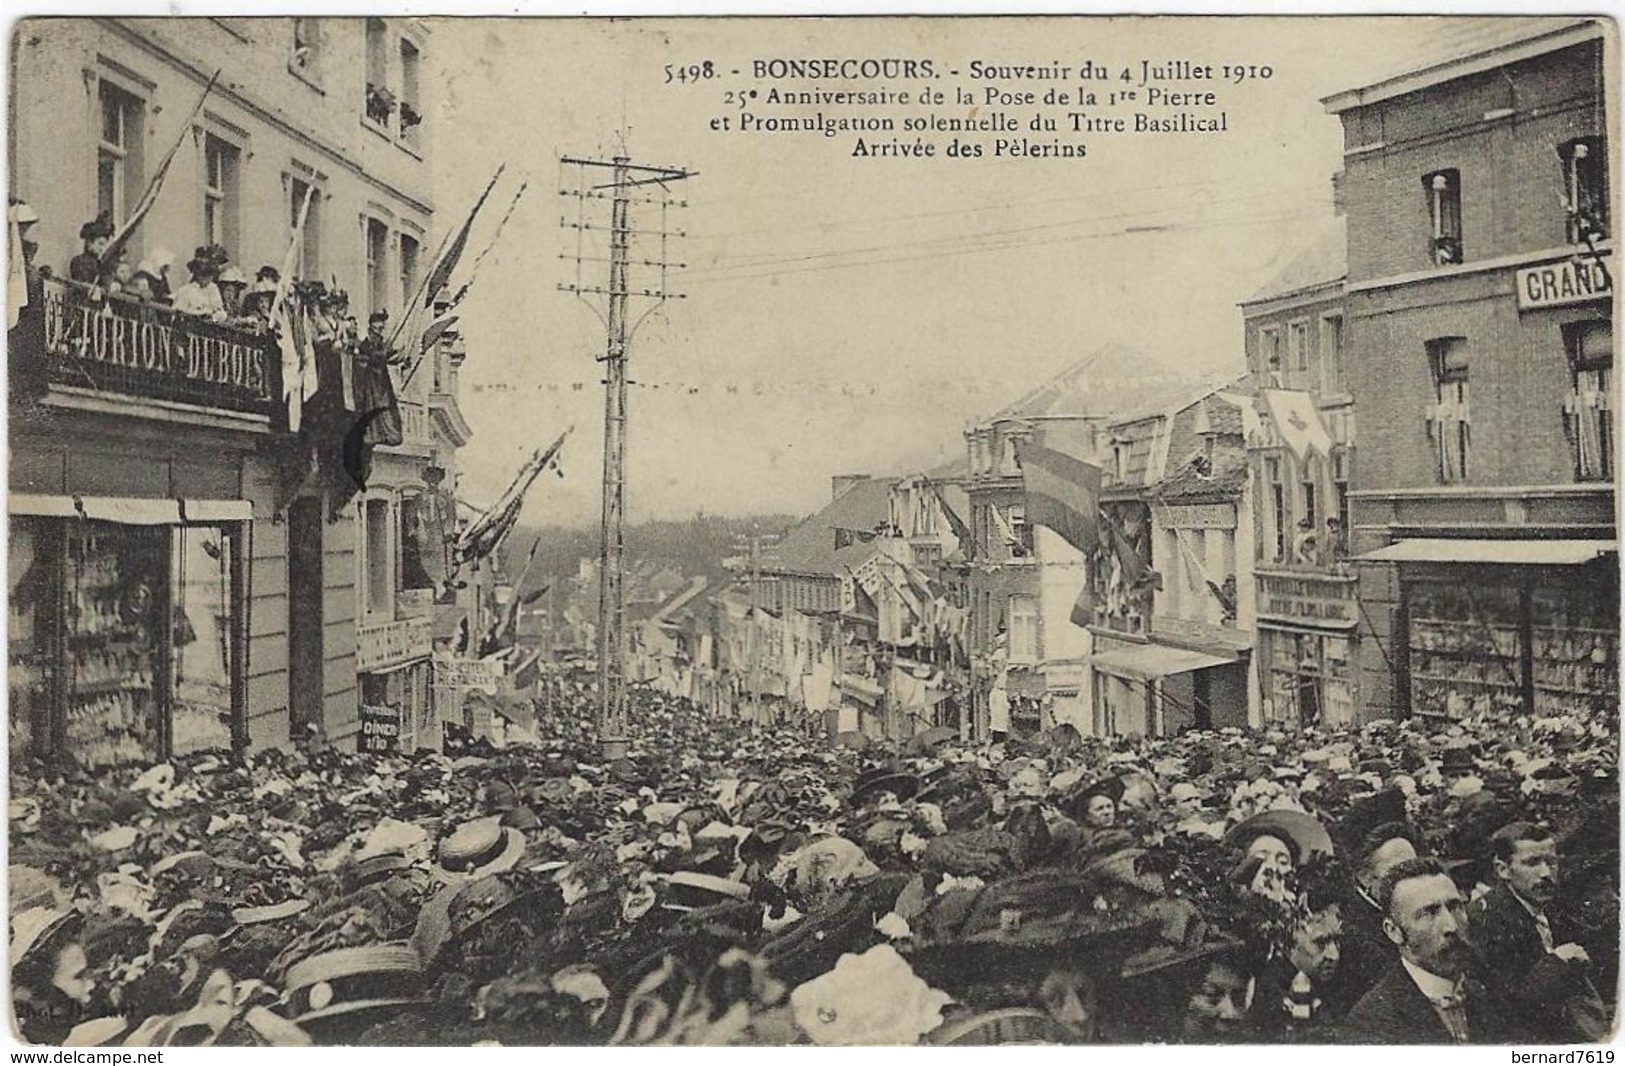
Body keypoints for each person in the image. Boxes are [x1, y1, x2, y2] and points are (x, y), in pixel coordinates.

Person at [1340, 857, 1504, 1044]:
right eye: (1428, 914)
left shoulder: (1487, 996)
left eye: (1455, 907)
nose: (1451, 926)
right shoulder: (1372, 1021)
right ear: (1394, 931)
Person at [1469, 822, 1604, 1042]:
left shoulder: (1554, 902)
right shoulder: (1485, 920)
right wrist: (1558, 962)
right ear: (1503, 869)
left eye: (1551, 862)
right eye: (1532, 863)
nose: (1545, 873)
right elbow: (1508, 1006)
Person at [170, 253, 226, 320]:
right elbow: (178, 313)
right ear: (197, 274)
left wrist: (215, 315)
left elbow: (219, 309)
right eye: (203, 274)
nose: (207, 278)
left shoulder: (213, 288)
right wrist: (200, 313)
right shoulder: (186, 290)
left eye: (210, 275)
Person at [69, 213, 113, 286]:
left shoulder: (102, 263)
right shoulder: (78, 261)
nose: (102, 248)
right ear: (90, 244)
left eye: (105, 245)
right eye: (100, 244)